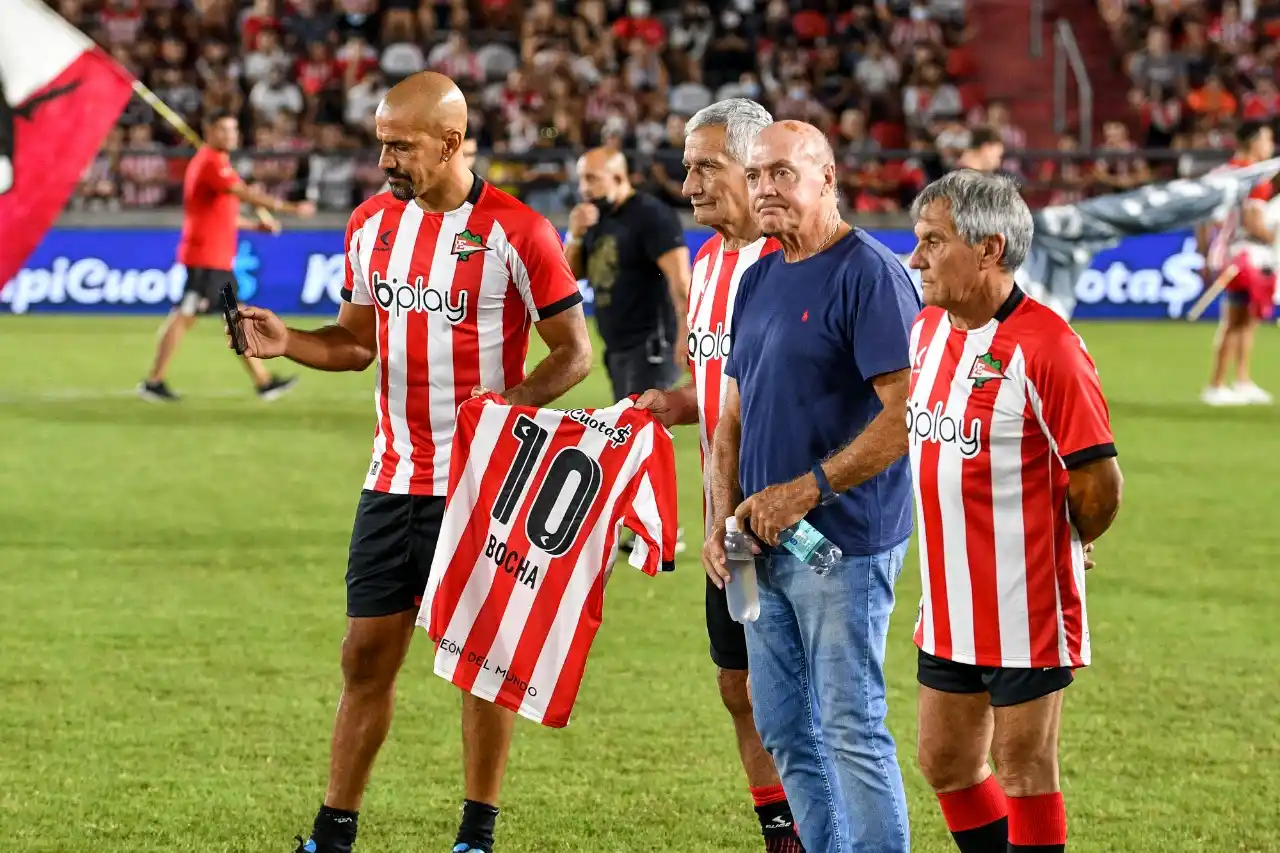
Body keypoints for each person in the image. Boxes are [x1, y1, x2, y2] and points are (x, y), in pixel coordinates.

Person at [229, 72, 593, 853]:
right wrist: (288, 341)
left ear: (453, 143)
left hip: (481, 489)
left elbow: (575, 354)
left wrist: (510, 409)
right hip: (391, 479)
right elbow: (356, 341)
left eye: (402, 145)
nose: (386, 158)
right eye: (381, 143)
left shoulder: (519, 232)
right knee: (364, 657)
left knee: (478, 666)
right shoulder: (369, 226)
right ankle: (334, 829)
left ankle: (476, 833)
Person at [704, 119, 920, 853]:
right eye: (757, 174)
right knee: (784, 725)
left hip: (843, 543)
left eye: (783, 174)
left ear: (827, 178)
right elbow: (731, 416)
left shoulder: (871, 273)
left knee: (849, 724)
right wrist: (717, 520)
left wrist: (807, 490)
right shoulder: (759, 275)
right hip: (756, 545)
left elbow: (905, 417)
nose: (765, 188)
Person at [905, 170, 1124, 853]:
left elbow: (1099, 479)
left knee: (1024, 768)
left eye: (933, 242)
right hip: (947, 598)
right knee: (943, 759)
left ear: (990, 249)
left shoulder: (1049, 346)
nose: (917, 258)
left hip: (1024, 603)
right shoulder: (928, 332)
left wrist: (1065, 538)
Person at [634, 98, 804, 853]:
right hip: (721, 527)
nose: (688, 180)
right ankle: (783, 832)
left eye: (705, 165)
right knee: (737, 686)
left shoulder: (794, 260)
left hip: (793, 523)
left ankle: (824, 829)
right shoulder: (707, 264)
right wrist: (678, 401)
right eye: (686, 165)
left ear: (753, 166)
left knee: (805, 699)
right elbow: (722, 390)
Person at [138, 110, 315, 402]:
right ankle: (154, 381)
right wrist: (291, 208)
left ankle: (263, 381)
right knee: (187, 316)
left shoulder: (218, 163)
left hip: (215, 259)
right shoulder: (210, 162)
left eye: (234, 130)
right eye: (224, 130)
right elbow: (243, 193)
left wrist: (255, 226)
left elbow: (223, 217)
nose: (231, 135)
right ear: (209, 130)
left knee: (231, 315)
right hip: (206, 259)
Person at [564, 146, 692, 403]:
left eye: (592, 178)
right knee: (628, 435)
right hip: (617, 349)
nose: (583, 188)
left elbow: (680, 280)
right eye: (581, 179)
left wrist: (686, 334)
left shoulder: (651, 215)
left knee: (640, 433)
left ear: (619, 178)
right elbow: (569, 277)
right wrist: (575, 236)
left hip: (651, 349)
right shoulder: (595, 216)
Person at [1200, 121, 1276, 406]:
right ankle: (1217, 384)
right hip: (1245, 256)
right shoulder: (1257, 178)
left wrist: (1203, 254)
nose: (1270, 146)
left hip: (1224, 253)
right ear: (1255, 142)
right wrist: (1274, 238)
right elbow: (1253, 222)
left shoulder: (1220, 173)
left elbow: (1203, 220)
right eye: (1268, 139)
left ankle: (1242, 381)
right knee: (1237, 321)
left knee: (1245, 319)